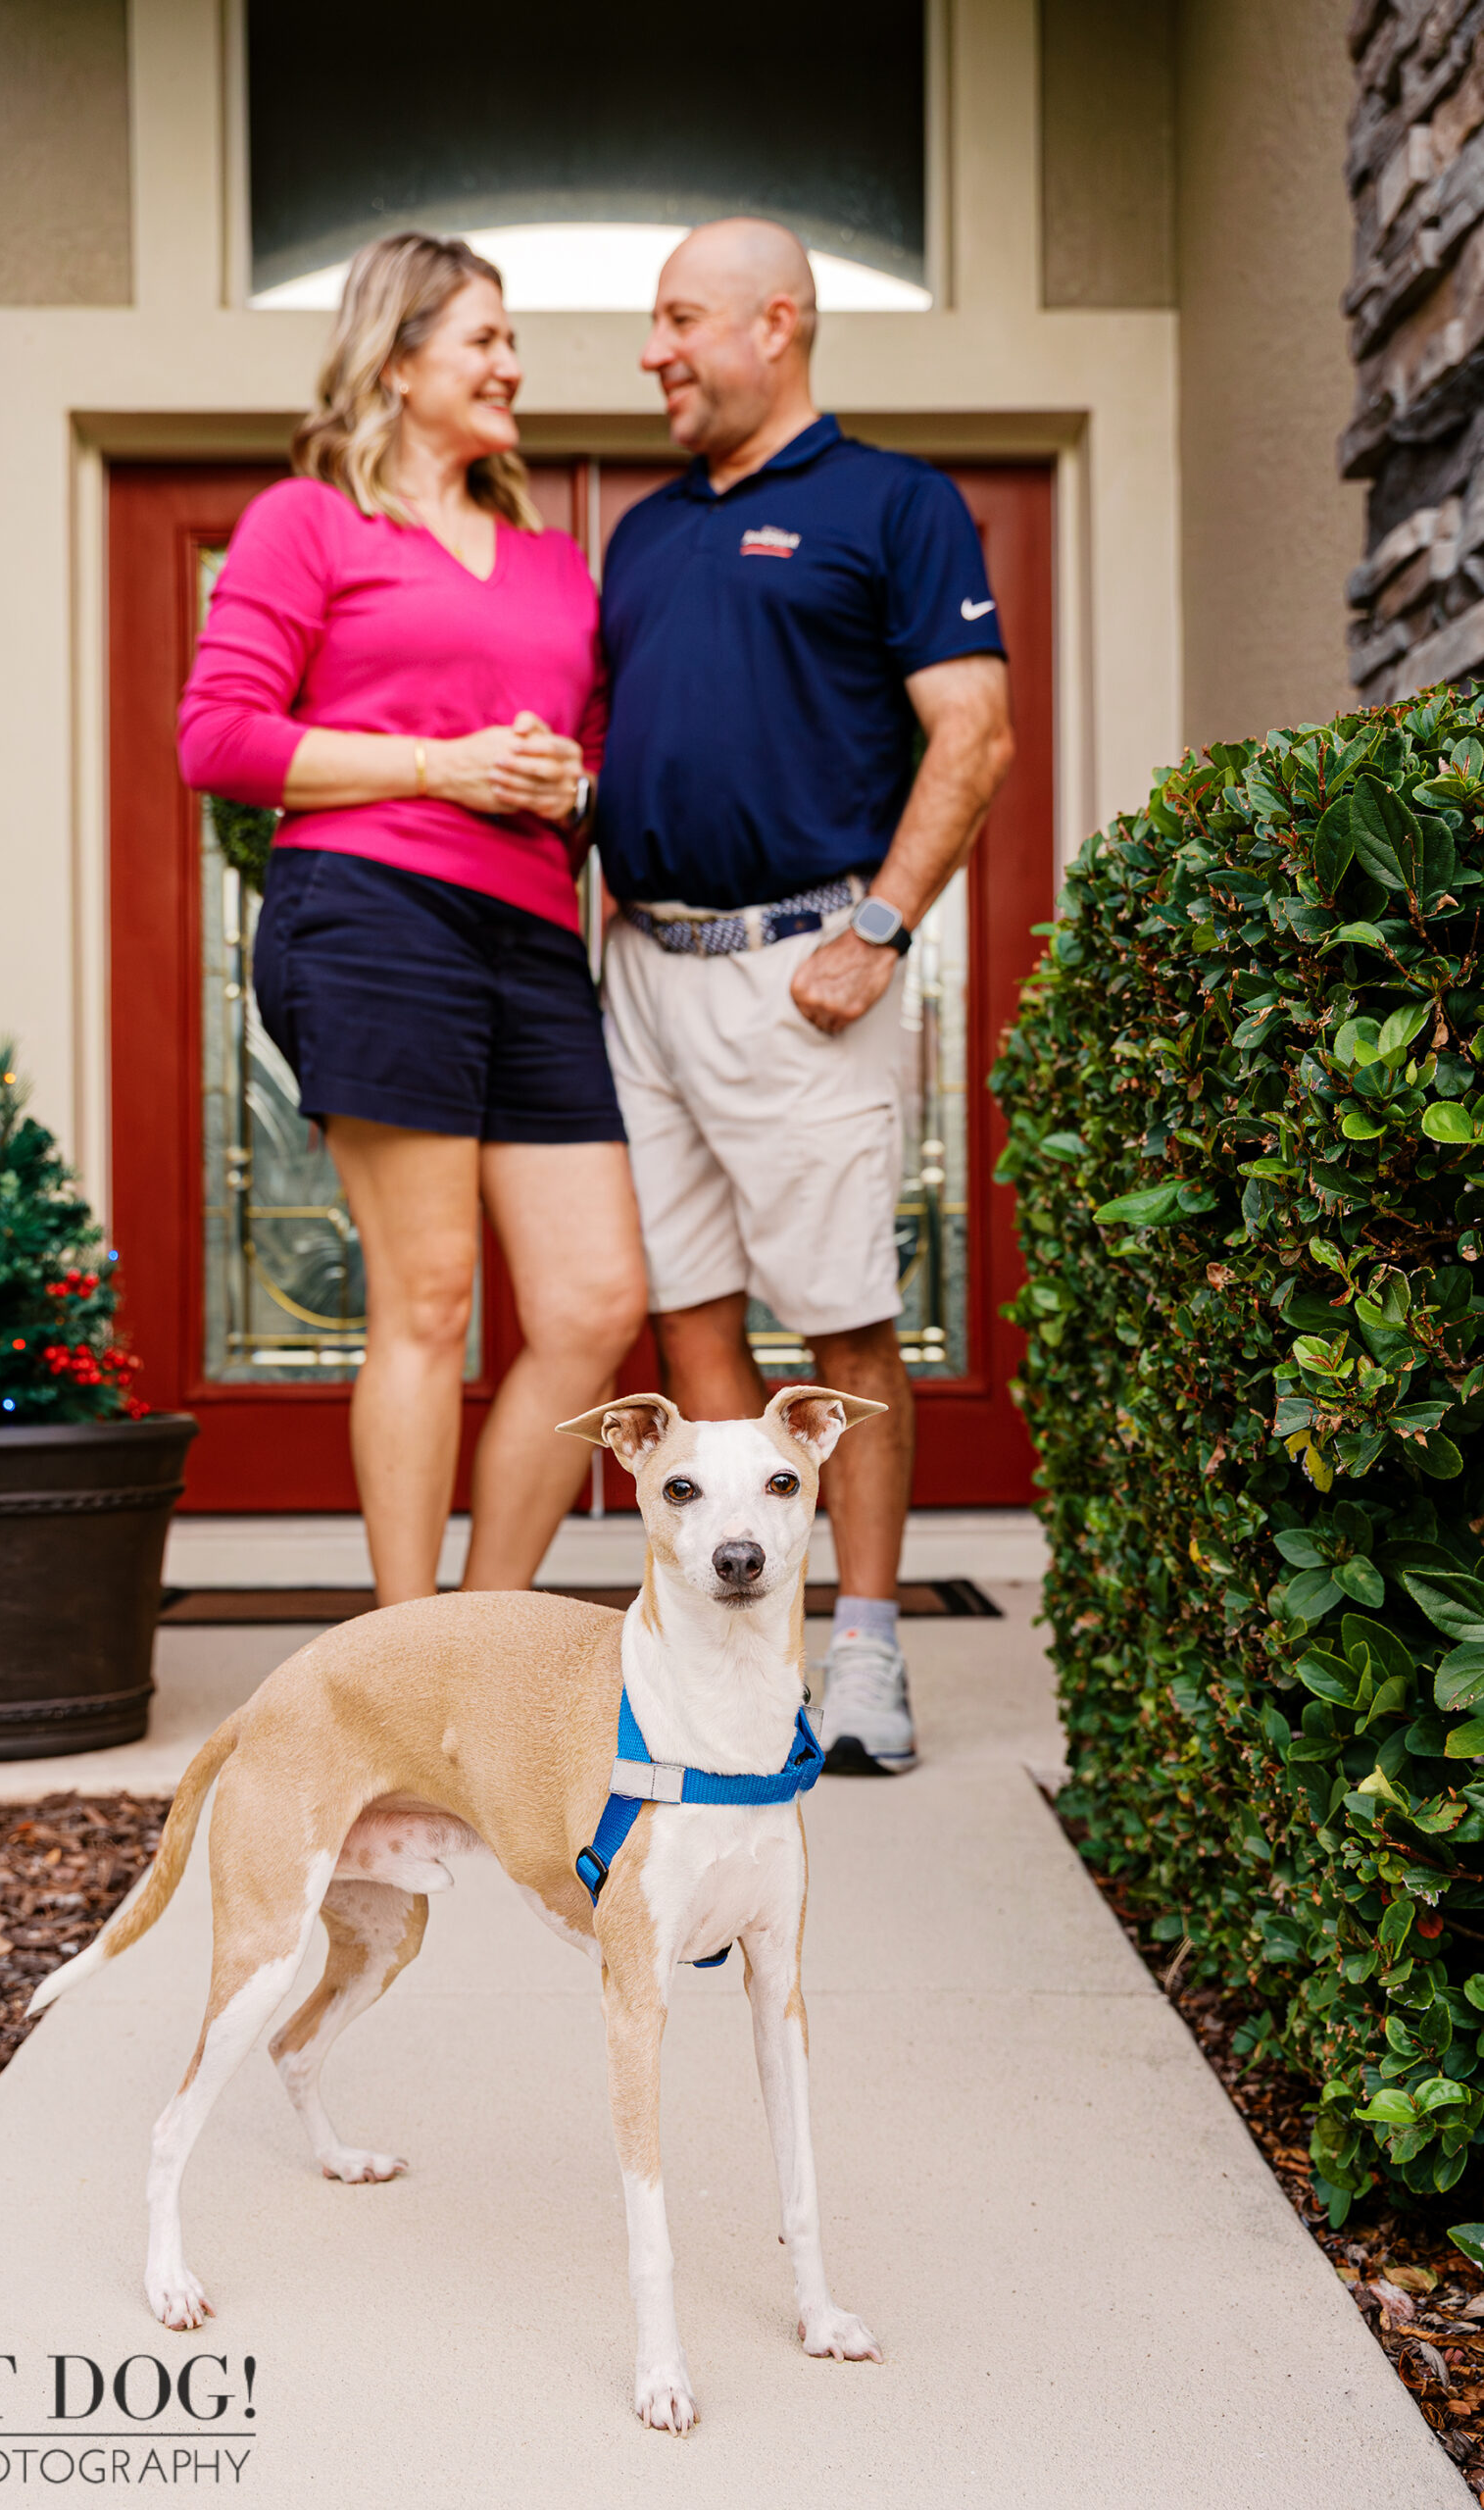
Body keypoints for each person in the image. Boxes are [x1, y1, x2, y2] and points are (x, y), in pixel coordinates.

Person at [596, 218, 1015, 1772]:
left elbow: (972, 735)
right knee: (688, 1311)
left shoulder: (893, 504)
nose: (655, 352)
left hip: (801, 971)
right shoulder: (640, 533)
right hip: (638, 969)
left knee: (841, 1318)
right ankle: (742, 1645)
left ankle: (866, 1653)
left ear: (778, 323)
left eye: (679, 320)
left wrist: (885, 928)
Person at [177, 232, 646, 1603]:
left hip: (534, 942)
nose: (514, 365)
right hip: (374, 913)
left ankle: (481, 1630)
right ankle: (404, 1651)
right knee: (430, 1301)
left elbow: (593, 755)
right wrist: (438, 766)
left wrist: (575, 786)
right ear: (398, 360)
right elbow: (219, 738)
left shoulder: (559, 563)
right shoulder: (309, 523)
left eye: (511, 342)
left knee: (591, 1303)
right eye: (485, 339)